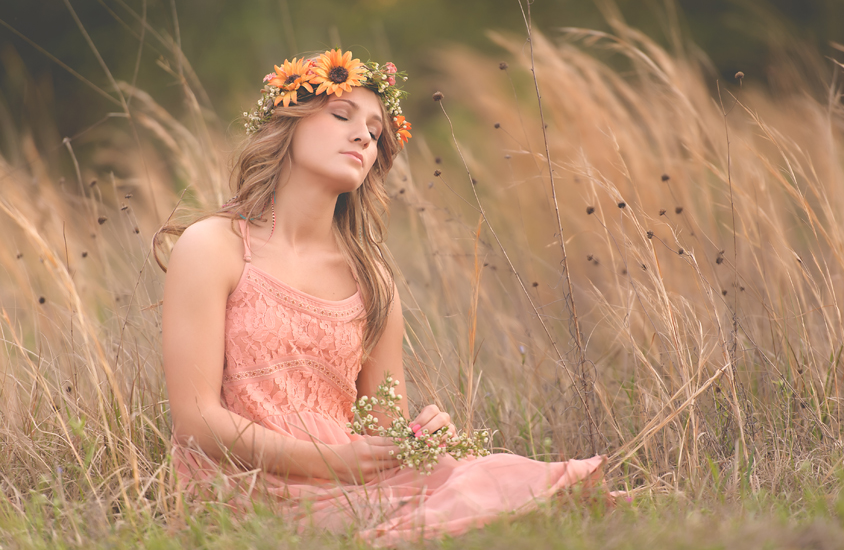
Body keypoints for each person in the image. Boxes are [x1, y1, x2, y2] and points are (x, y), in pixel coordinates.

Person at [154, 48, 610, 546]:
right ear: (288, 122)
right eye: (342, 115)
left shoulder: (372, 280)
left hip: (351, 478)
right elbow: (196, 422)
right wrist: (329, 462)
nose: (362, 136)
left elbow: (382, 429)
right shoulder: (213, 247)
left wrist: (419, 439)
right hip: (243, 483)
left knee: (489, 480)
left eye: (374, 132)